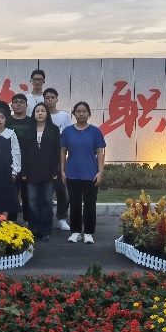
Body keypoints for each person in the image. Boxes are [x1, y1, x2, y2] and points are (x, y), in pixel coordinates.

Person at [61, 101, 106, 244]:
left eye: (84, 111)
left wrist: (100, 172)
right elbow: (63, 151)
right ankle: (75, 232)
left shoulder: (95, 131)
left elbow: (100, 152)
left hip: (91, 174)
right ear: (74, 114)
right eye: (78, 111)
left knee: (90, 204)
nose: (81, 114)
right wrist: (62, 170)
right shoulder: (67, 131)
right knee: (74, 204)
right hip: (72, 174)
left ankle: (88, 233)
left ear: (89, 114)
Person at [20, 103, 61, 241]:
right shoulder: (28, 130)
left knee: (47, 202)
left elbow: (56, 152)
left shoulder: (54, 130)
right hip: (31, 172)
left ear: (47, 114)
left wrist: (55, 170)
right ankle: (34, 229)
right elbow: (24, 153)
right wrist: (24, 171)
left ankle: (45, 231)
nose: (40, 113)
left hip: (48, 172)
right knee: (32, 202)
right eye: (37, 111)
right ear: (34, 114)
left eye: (43, 111)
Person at [43, 87, 73, 231]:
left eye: (52, 98)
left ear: (56, 99)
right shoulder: (40, 115)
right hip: (43, 160)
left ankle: (62, 218)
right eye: (47, 98)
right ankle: (45, 219)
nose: (50, 100)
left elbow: (70, 135)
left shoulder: (64, 116)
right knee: (45, 191)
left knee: (61, 190)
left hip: (60, 158)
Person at [8, 93, 36, 225]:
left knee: (27, 193)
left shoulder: (32, 122)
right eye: (16, 102)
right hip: (10, 162)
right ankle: (11, 219)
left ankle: (28, 219)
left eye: (21, 102)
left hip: (28, 162)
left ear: (26, 105)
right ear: (12, 105)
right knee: (11, 192)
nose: (18, 104)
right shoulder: (7, 121)